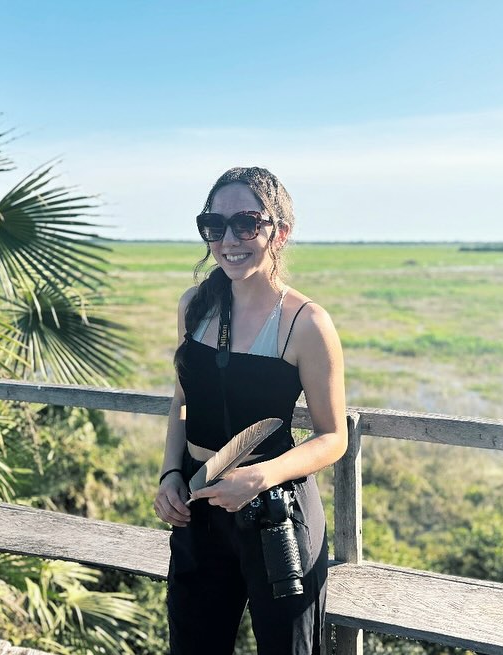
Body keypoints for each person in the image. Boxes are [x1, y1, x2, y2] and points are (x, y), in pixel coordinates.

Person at [153, 166, 347, 654]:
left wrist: (260, 478)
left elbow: (332, 437)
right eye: (214, 226)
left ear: (279, 232)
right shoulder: (194, 304)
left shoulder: (306, 323)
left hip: (274, 511)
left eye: (246, 222)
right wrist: (170, 474)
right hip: (198, 505)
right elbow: (182, 400)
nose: (229, 239)